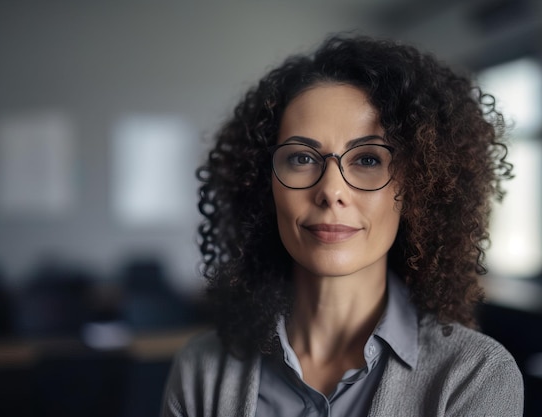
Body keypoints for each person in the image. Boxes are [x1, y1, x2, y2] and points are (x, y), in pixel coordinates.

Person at [161, 34, 523, 417]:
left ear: (418, 187)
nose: (331, 190)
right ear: (263, 186)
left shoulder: (474, 376)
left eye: (367, 160)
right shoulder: (200, 370)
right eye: (302, 158)